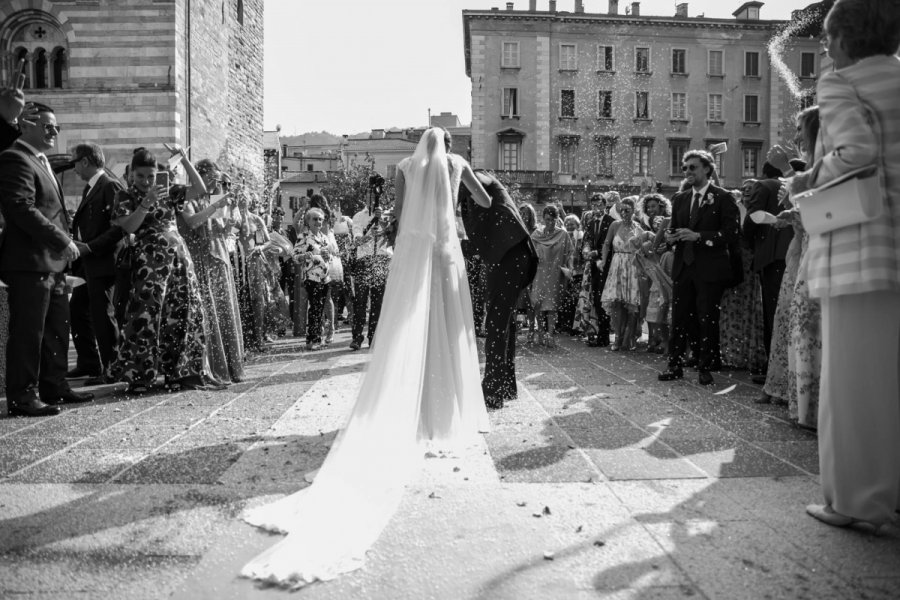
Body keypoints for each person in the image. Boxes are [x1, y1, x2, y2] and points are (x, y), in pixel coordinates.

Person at [240, 127, 492, 587]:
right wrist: (461, 204)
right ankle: (442, 417)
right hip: (447, 251)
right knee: (448, 330)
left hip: (414, 253)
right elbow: (487, 202)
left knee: (406, 327)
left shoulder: (403, 167)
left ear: (420, 146)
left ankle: (410, 413)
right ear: (449, 148)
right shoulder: (458, 166)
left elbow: (396, 216)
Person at [787, 0, 900, 529]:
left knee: (852, 386)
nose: (825, 49)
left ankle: (855, 500)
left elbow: (856, 151)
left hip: (861, 249)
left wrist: (805, 181)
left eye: (829, 39)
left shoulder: (839, 83)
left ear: (846, 38)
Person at [0, 101, 95, 416]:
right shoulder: (15, 158)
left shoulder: (40, 160)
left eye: (57, 126)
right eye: (47, 125)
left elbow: (52, 213)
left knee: (57, 327)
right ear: (26, 124)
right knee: (29, 332)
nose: (55, 130)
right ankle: (22, 396)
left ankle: (54, 386)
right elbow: (21, 208)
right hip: (29, 263)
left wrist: (72, 242)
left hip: (52, 263)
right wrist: (61, 240)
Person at [110, 147, 221, 393]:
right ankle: (140, 376)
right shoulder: (125, 196)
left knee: (181, 311)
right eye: (141, 176)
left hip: (179, 261)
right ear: (132, 175)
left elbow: (201, 190)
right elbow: (129, 227)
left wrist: (183, 157)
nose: (146, 181)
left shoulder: (169, 192)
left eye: (150, 176)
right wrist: (146, 205)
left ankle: (178, 373)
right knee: (146, 315)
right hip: (148, 266)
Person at [659, 149, 740, 386]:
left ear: (707, 168)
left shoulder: (723, 197)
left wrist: (699, 236)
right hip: (684, 266)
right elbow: (673, 229)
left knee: (707, 318)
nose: (687, 172)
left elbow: (731, 234)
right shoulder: (680, 198)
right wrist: (671, 238)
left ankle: (706, 366)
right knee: (680, 318)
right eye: (685, 168)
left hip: (710, 268)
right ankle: (674, 365)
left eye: (692, 167)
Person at [459, 170, 537, 410]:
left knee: (496, 321)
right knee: (503, 322)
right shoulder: (462, 197)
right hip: (504, 255)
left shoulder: (476, 176)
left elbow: (479, 184)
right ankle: (504, 385)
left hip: (511, 253)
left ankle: (492, 391)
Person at [178, 158, 245, 382]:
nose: (215, 183)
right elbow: (194, 223)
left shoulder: (215, 198)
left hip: (219, 259)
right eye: (212, 178)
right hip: (200, 262)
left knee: (224, 311)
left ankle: (231, 364)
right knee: (207, 313)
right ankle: (208, 366)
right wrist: (216, 205)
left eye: (217, 179)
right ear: (201, 176)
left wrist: (236, 208)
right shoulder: (188, 198)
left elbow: (224, 230)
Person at [66, 143, 125, 384]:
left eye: (75, 163)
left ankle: (111, 368)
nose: (74, 169)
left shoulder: (109, 185)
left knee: (102, 314)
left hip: (103, 261)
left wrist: (89, 246)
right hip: (87, 262)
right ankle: (89, 362)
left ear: (86, 161)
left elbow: (119, 227)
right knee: (78, 309)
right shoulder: (92, 188)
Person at [744, 162, 793, 367]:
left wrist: (746, 242)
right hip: (792, 252)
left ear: (763, 172)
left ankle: (774, 368)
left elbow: (753, 219)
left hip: (772, 255)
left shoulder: (764, 185)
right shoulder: (790, 182)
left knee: (774, 310)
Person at [600, 197, 651, 351]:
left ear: (634, 210)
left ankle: (629, 338)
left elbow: (643, 249)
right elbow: (607, 244)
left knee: (632, 304)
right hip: (617, 265)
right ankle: (617, 337)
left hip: (633, 266)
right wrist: (603, 261)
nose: (623, 213)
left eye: (627, 210)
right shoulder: (614, 225)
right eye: (621, 210)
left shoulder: (638, 229)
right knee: (616, 303)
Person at [529, 205, 574, 348]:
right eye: (547, 220)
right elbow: (529, 254)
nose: (549, 223)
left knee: (552, 305)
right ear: (543, 219)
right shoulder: (536, 235)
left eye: (552, 220)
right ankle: (541, 332)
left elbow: (570, 253)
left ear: (557, 219)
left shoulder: (563, 234)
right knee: (538, 304)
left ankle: (550, 333)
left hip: (555, 272)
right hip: (539, 273)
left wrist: (570, 268)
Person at [292, 207, 336, 351]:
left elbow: (329, 257)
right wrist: (304, 256)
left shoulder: (324, 238)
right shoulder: (303, 236)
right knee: (315, 309)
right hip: (312, 278)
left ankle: (315, 338)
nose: (318, 222)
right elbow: (295, 256)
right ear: (308, 221)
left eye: (320, 219)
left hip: (325, 278)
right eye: (315, 219)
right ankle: (313, 340)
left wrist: (327, 256)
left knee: (321, 308)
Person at [582, 193, 616, 346]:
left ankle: (604, 336)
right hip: (594, 267)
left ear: (605, 205)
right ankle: (598, 332)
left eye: (599, 205)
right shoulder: (589, 222)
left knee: (603, 300)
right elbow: (587, 240)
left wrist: (597, 253)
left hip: (607, 265)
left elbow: (611, 244)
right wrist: (586, 250)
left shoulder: (611, 222)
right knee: (595, 299)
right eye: (593, 205)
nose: (596, 208)